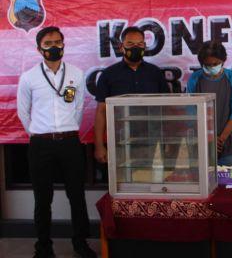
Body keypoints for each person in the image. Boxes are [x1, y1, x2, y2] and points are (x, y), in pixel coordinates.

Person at [17, 26, 96, 258]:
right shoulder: (29, 77)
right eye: (48, 43)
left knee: (77, 195)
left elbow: (78, 108)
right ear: (39, 49)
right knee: (43, 199)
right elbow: (23, 112)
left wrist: (67, 130)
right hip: (40, 145)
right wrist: (38, 133)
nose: (54, 47)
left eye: (58, 42)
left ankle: (81, 243)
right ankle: (43, 247)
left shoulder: (76, 74)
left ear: (63, 44)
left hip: (70, 143)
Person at [93, 26, 170, 163]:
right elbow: (101, 111)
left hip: (151, 140)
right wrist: (99, 146)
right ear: (121, 47)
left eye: (139, 44)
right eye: (130, 44)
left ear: (145, 46)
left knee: (149, 175)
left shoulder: (155, 73)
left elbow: (166, 109)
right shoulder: (108, 75)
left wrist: (168, 140)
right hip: (119, 140)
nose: (135, 47)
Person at [187, 41, 232, 167]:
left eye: (216, 64)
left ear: (223, 60)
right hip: (201, 144)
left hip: (228, 145)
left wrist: (220, 139)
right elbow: (191, 113)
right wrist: (208, 138)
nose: (212, 67)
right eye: (207, 65)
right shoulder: (194, 79)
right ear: (201, 63)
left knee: (230, 179)